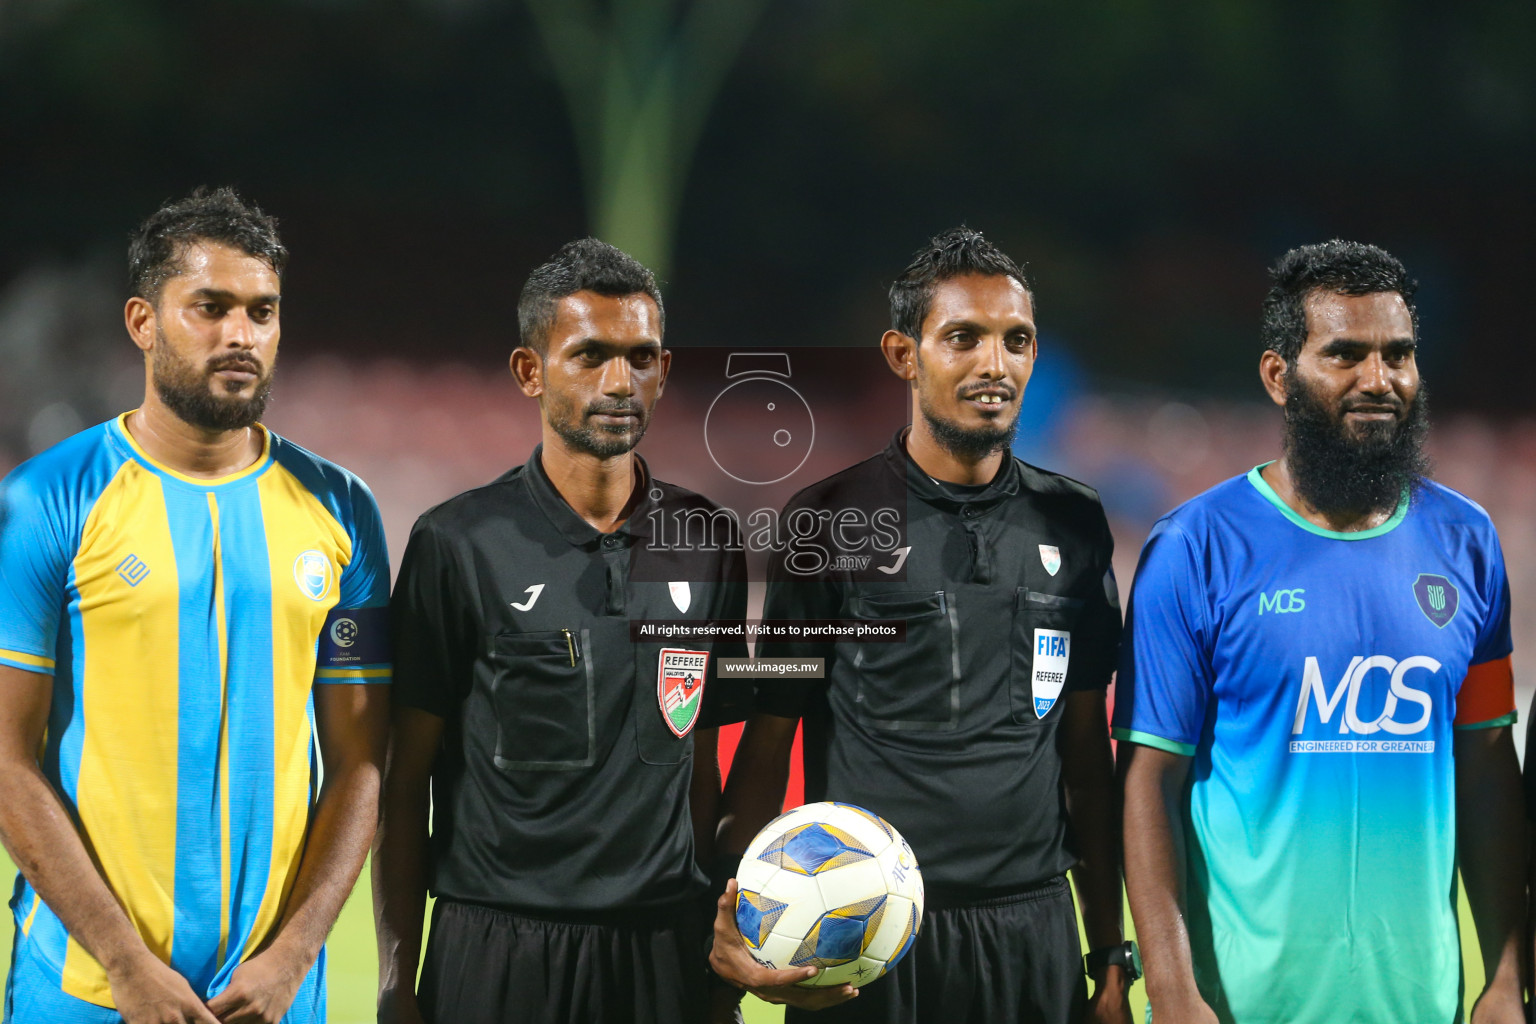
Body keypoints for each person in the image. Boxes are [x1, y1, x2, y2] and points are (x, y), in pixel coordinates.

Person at [711, 227, 1135, 1024]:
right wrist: (728, 932)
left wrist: (1109, 953)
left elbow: (1084, 754)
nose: (994, 364)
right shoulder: (827, 523)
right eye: (963, 338)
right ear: (905, 355)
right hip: (865, 942)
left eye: (1016, 341)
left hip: (1031, 938)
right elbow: (768, 744)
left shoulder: (1073, 523)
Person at [0, 187, 392, 1024]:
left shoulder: (343, 511)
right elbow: (6, 757)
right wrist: (124, 963)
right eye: (209, 308)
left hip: (273, 997)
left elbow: (361, 758)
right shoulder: (48, 501)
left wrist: (294, 958)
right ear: (142, 322)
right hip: (83, 992)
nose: (240, 335)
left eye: (261, 311)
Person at [1115, 240, 1524, 1024]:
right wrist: (1171, 993)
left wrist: (1505, 980)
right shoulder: (1195, 548)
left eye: (1398, 355)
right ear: (1279, 375)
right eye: (1345, 354)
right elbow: (1149, 780)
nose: (1380, 380)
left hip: (1421, 1008)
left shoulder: (1468, 544)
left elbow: (1486, 769)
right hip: (1239, 1009)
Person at [373, 238, 751, 1024]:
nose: (620, 382)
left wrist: (717, 972)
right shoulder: (458, 543)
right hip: (498, 947)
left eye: (641, 357)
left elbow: (701, 762)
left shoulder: (708, 538)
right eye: (590, 356)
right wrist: (396, 980)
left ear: (664, 371)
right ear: (530, 372)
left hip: (663, 951)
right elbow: (406, 782)